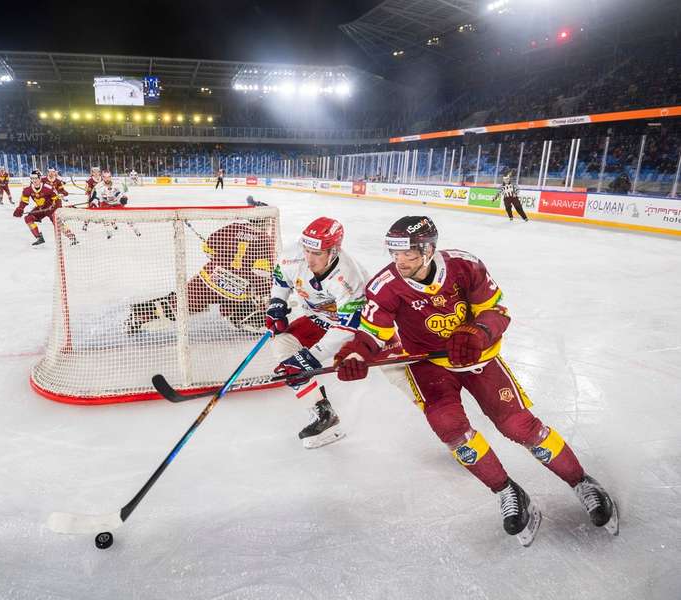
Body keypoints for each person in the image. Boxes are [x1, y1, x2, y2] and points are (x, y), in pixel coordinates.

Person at [334, 215, 618, 546]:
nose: (400, 262)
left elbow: (497, 311)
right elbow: (372, 334)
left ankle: (582, 482)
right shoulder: (386, 285)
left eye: (408, 254)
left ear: (428, 250)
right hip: (429, 367)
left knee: (519, 426)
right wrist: (356, 354)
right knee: (452, 431)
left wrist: (477, 332)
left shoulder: (464, 266)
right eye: (395, 254)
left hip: (477, 358)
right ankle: (508, 491)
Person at [266, 217, 399, 449]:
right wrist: (277, 303)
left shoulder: (349, 277)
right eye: (306, 250)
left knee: (397, 370)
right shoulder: (293, 253)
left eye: (317, 253)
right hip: (320, 318)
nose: (309, 259)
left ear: (334, 250)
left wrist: (310, 357)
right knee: (283, 344)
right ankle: (323, 414)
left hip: (363, 328)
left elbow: (348, 327)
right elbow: (281, 279)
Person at [125, 213, 274, 335]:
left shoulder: (234, 227)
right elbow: (262, 273)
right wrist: (264, 295)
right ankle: (238, 318)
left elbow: (208, 248)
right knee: (244, 301)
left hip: (210, 280)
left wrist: (221, 256)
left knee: (180, 304)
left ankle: (139, 316)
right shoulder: (265, 240)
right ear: (264, 222)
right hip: (236, 291)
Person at [13, 170, 77, 246]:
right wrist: (20, 208)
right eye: (32, 178)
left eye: (36, 178)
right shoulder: (27, 189)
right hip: (41, 208)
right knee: (28, 218)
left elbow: (57, 199)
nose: (34, 180)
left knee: (57, 223)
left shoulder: (48, 188)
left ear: (40, 178)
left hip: (51, 208)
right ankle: (39, 238)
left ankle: (72, 238)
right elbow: (24, 201)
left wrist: (55, 207)